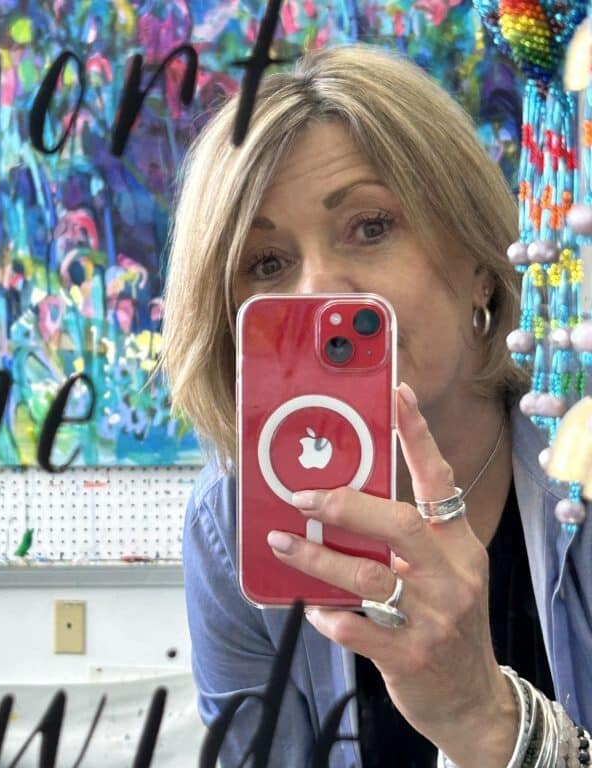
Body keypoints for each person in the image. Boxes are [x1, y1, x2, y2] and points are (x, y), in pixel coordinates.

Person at [161, 43, 592, 767]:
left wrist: (483, 721)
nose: (320, 291)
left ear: (481, 265)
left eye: (371, 226)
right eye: (268, 263)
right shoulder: (233, 526)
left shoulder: (580, 463)